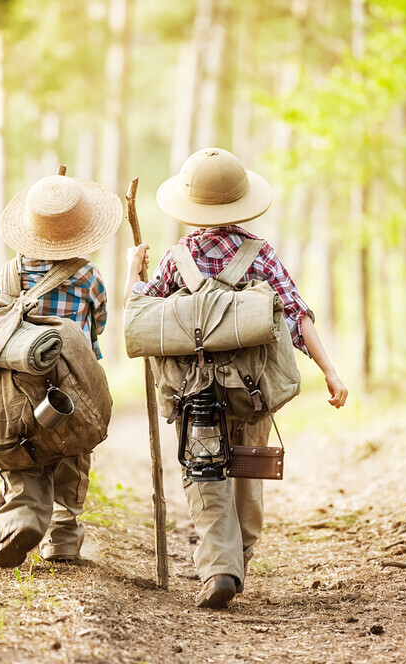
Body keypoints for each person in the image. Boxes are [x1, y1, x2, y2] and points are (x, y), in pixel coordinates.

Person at [125, 147, 348, 609]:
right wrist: (329, 370)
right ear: (241, 201)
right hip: (254, 390)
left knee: (204, 475)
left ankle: (220, 568)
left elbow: (143, 318)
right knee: (248, 471)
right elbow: (297, 316)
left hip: (195, 392)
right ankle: (240, 553)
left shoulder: (175, 259)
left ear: (192, 207)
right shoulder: (261, 254)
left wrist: (134, 273)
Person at [0, 173, 122, 567]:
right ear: (81, 230)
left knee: (19, 451)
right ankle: (63, 535)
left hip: (14, 386)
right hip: (69, 386)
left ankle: (22, 517)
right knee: (72, 452)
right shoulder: (88, 278)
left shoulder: (7, 276)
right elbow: (97, 329)